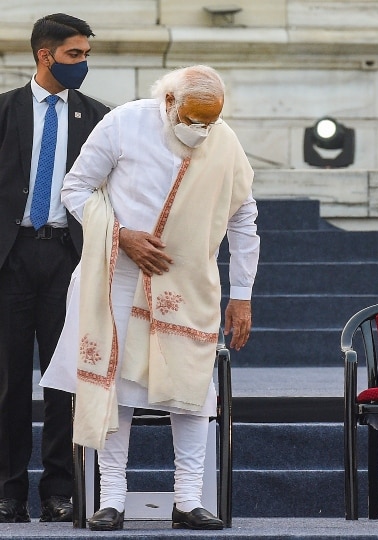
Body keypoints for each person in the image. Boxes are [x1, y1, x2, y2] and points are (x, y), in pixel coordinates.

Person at [40, 65, 259, 531]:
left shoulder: (224, 142)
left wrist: (242, 295)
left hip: (188, 283)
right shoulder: (124, 123)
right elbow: (75, 189)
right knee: (114, 385)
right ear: (169, 102)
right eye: (193, 120)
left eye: (210, 122)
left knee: (192, 390)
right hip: (118, 276)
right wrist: (121, 236)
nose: (200, 131)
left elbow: (243, 217)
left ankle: (188, 500)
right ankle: (113, 499)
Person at [0, 13, 110, 524]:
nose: (83, 64)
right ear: (45, 55)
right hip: (11, 259)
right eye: (74, 55)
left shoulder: (99, 118)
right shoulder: (4, 112)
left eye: (86, 55)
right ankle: (8, 491)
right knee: (8, 380)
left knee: (65, 379)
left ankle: (59, 491)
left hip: (69, 259)